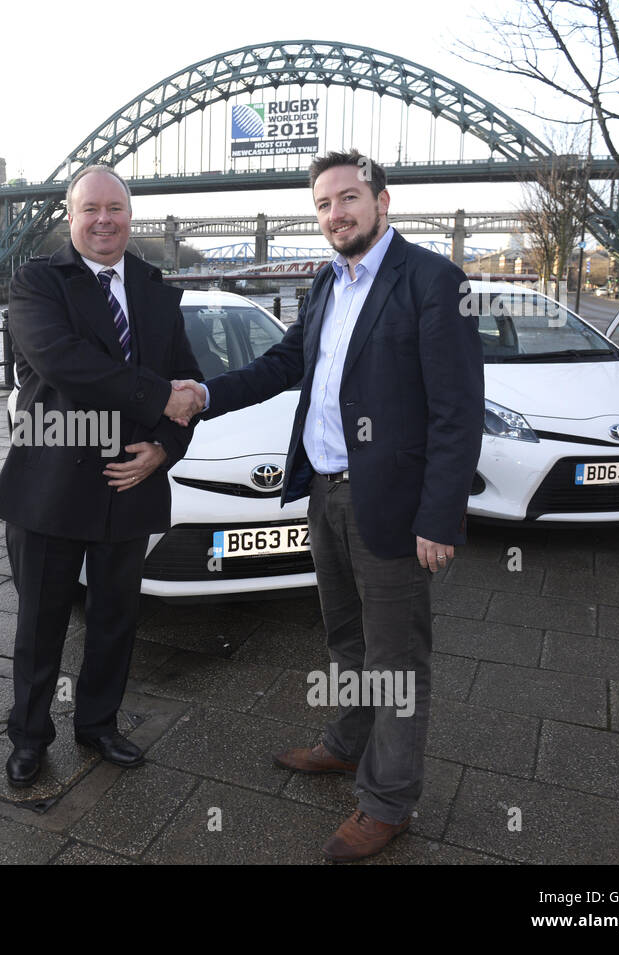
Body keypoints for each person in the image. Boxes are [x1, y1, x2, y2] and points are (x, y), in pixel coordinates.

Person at [170, 149, 483, 861]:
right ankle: (346, 743)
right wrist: (204, 397)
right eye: (323, 204)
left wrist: (439, 516)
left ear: (382, 200)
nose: (335, 213)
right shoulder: (324, 283)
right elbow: (286, 363)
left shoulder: (433, 281)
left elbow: (459, 411)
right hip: (325, 493)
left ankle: (388, 800)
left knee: (398, 657)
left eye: (348, 197)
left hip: (394, 508)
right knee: (346, 638)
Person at [0, 165, 205, 788]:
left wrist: (164, 449)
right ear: (70, 215)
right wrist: (158, 396)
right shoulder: (38, 281)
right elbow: (63, 363)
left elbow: (187, 388)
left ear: (129, 216)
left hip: (128, 480)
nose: (104, 220)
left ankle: (99, 725)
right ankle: (29, 737)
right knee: (40, 623)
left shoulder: (157, 289)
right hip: (52, 481)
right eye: (91, 210)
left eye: (115, 208)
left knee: (116, 618)